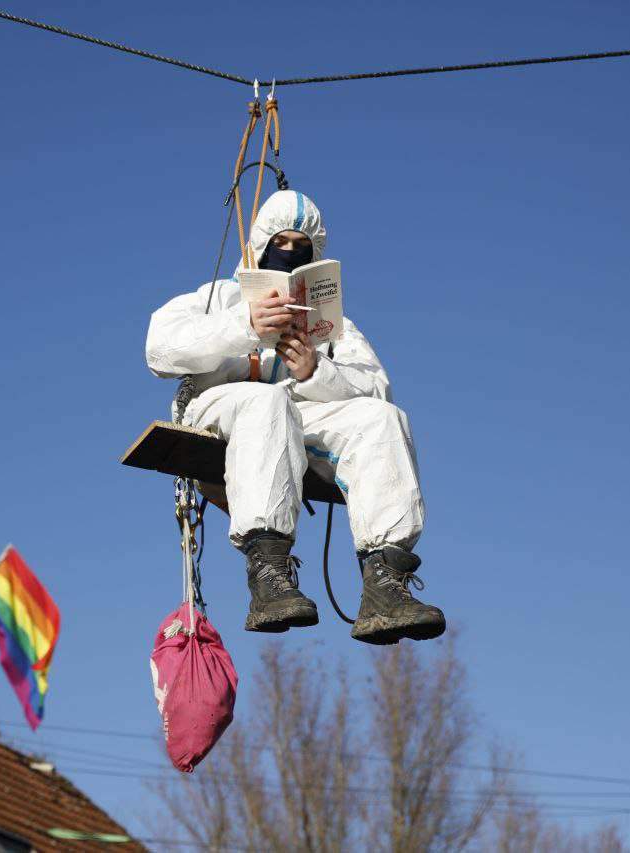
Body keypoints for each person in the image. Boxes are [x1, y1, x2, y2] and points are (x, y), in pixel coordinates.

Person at [145, 189, 444, 645]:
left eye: (300, 247)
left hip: (298, 415)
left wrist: (316, 370)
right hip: (221, 408)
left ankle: (386, 583)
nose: (288, 252)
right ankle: (269, 574)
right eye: (279, 242)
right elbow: (160, 349)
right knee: (266, 402)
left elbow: (374, 383)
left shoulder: (332, 324)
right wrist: (245, 326)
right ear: (260, 244)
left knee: (381, 418)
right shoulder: (217, 297)